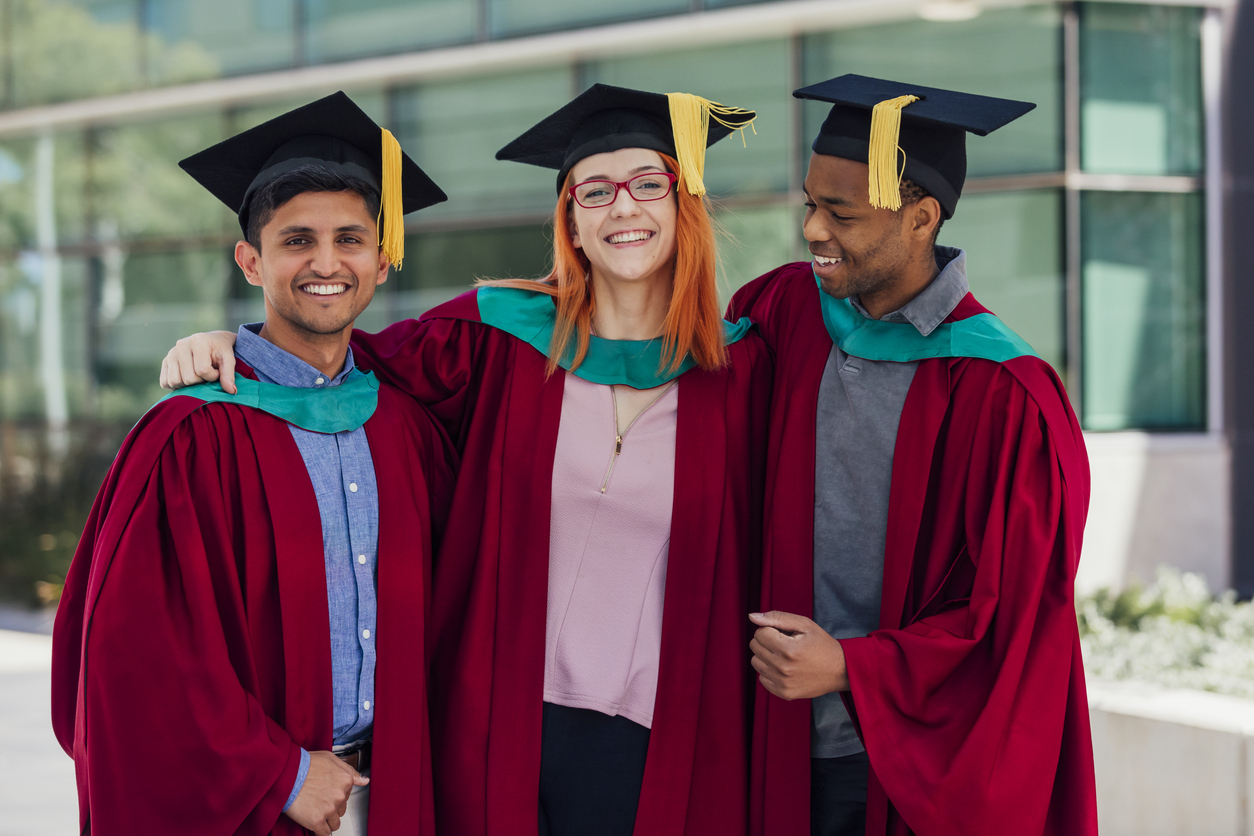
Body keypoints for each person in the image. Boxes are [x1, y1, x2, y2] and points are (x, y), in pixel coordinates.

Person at [158, 84, 772, 836]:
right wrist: (232, 345)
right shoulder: (493, 341)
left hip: (654, 736)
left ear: (685, 207)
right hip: (495, 728)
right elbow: (339, 360)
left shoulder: (744, 374)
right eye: (596, 190)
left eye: (651, 185)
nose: (625, 208)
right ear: (570, 220)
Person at [52, 92, 456, 836]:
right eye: (297, 240)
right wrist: (284, 773)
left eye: (351, 239)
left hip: (401, 792)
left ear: (383, 255)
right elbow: (134, 656)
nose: (327, 263)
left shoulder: (408, 428)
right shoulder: (190, 437)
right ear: (251, 260)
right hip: (257, 806)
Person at [728, 75, 1098, 836]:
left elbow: (1015, 620)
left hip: (906, 768)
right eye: (810, 203)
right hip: (769, 749)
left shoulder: (1004, 391)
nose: (811, 231)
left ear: (921, 217)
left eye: (842, 213)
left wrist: (852, 670)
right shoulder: (784, 310)